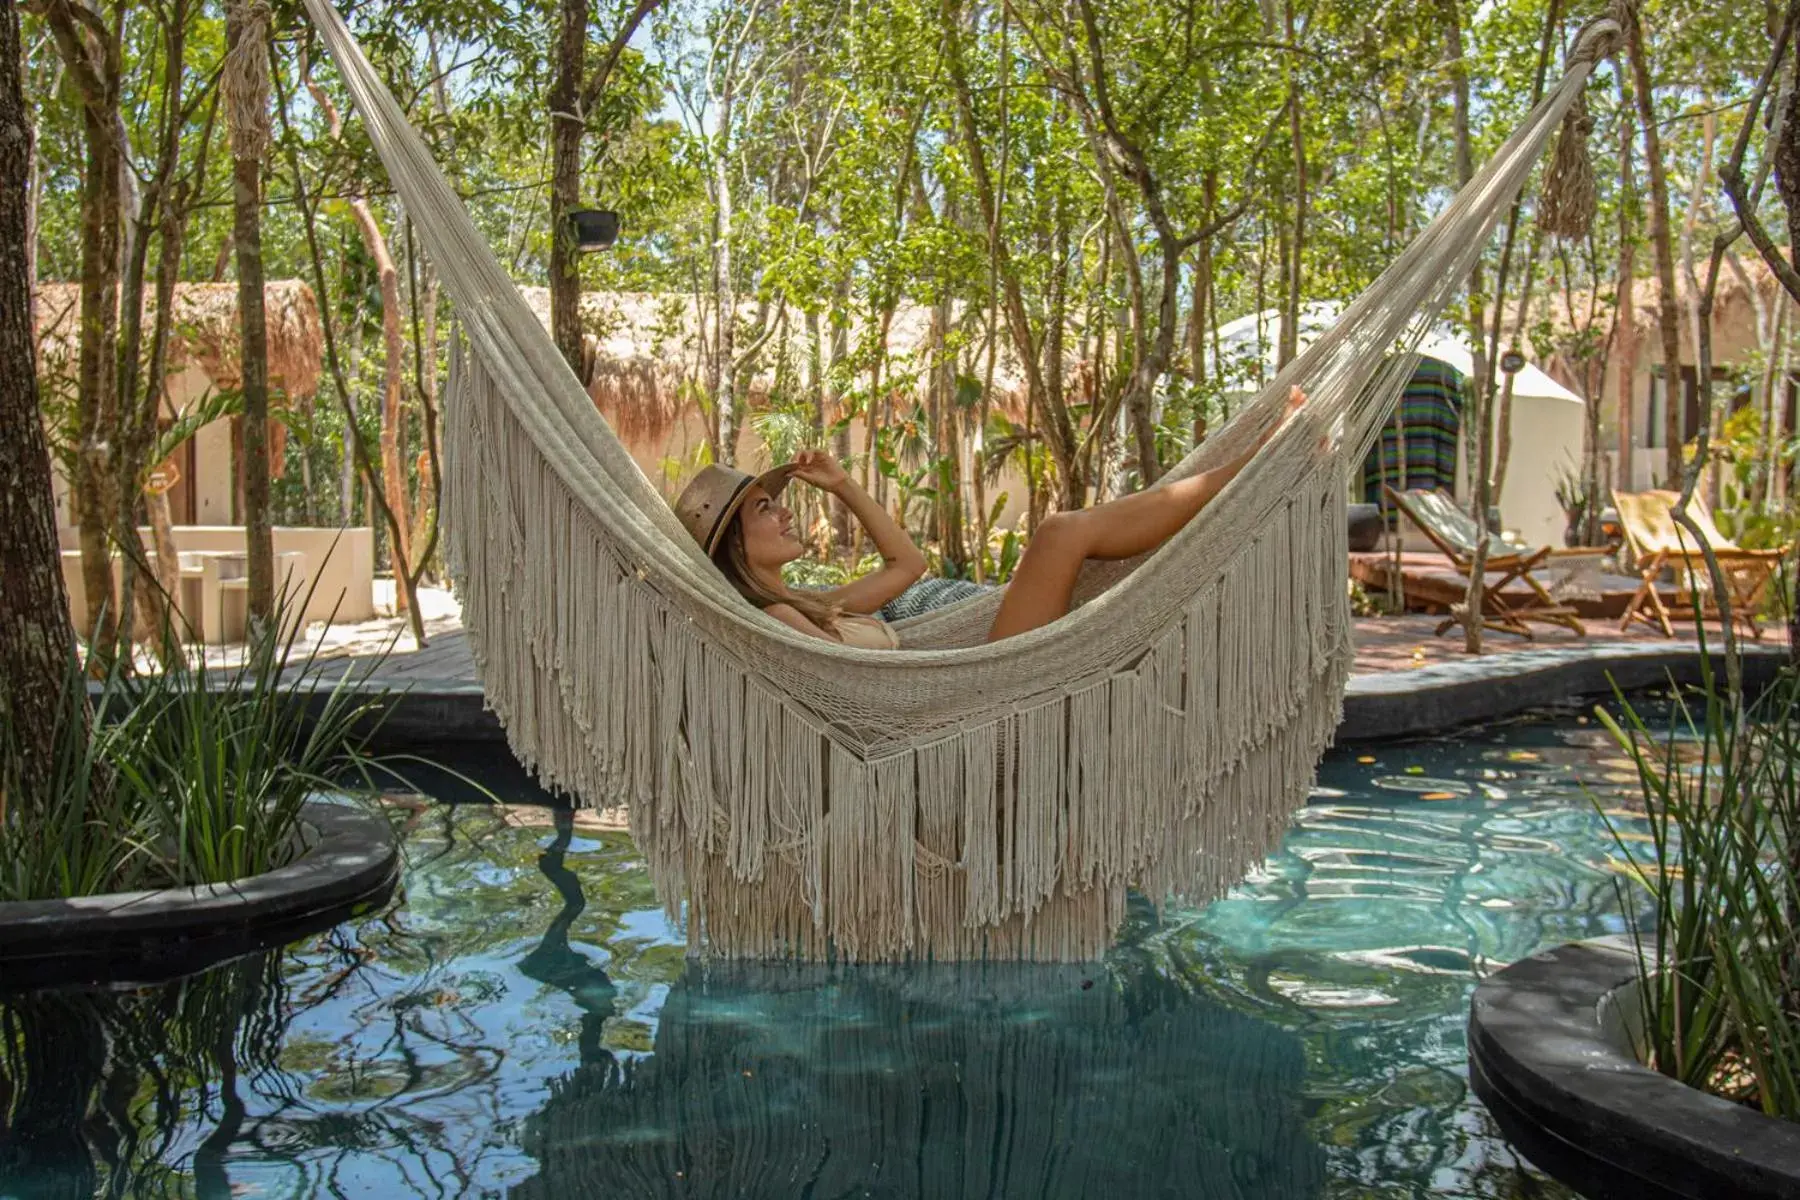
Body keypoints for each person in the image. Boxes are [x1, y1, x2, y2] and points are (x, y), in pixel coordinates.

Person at [673, 387, 1308, 647]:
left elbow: (909, 566)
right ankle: (1260, 462)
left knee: (1065, 533)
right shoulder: (776, 620)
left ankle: (1259, 464)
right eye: (764, 508)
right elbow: (845, 705)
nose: (784, 512)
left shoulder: (812, 604)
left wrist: (845, 487)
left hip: (973, 679)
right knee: (1060, 532)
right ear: (733, 544)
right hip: (969, 701)